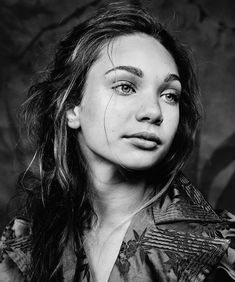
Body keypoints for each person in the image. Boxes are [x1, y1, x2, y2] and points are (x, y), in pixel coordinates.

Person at [0, 3, 234, 282]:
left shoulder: (223, 248)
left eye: (169, 95)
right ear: (72, 108)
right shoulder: (24, 242)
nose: (154, 111)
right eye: (125, 86)